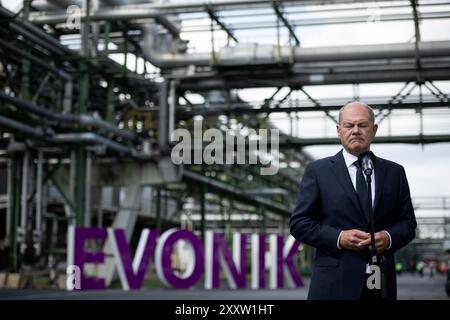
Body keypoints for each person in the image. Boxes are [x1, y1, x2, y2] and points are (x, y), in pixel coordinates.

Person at [289, 101, 417, 300]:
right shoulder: (318, 172)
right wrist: (339, 237)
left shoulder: (394, 172)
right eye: (349, 125)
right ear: (339, 130)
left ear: (374, 130)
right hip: (333, 284)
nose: (355, 130)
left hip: (379, 283)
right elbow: (299, 224)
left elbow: (408, 224)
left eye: (362, 125)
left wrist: (388, 237)